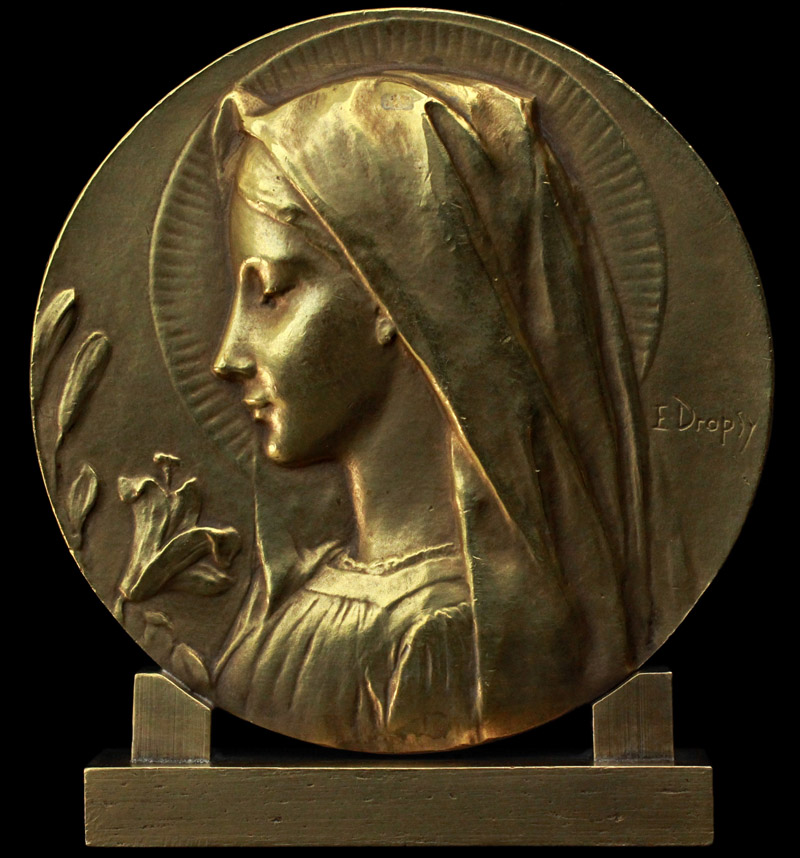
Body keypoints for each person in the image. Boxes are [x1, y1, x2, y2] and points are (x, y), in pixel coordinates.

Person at [208, 73, 654, 753]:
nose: (228, 355)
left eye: (271, 295)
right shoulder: (300, 601)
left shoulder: (447, 643)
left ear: (396, 291)